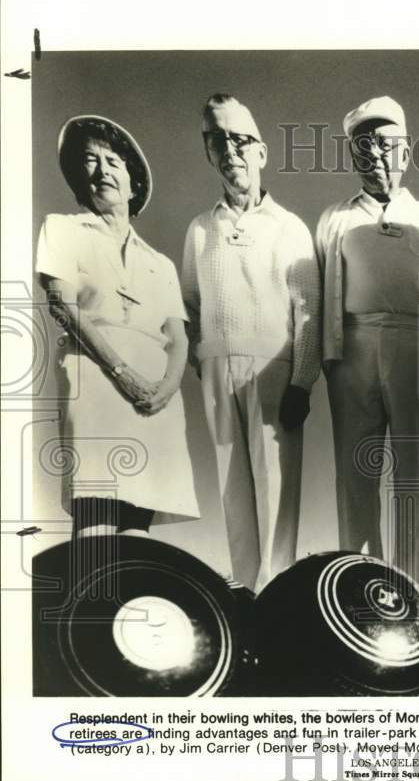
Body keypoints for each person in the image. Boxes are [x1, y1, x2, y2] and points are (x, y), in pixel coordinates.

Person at [182, 94, 321, 592]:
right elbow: (190, 305)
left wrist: (302, 382)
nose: (229, 151)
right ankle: (244, 597)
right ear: (209, 153)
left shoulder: (290, 227)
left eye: (239, 140)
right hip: (219, 372)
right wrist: (204, 360)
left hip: (274, 370)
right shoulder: (201, 229)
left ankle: (277, 596)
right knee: (232, 490)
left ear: (261, 150)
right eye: (216, 141)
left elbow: (309, 310)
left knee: (275, 490)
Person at [36, 115, 198, 536]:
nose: (102, 170)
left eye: (113, 161)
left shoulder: (160, 262)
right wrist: (122, 373)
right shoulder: (63, 228)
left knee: (138, 534)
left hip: (155, 395)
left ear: (133, 183)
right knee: (96, 525)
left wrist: (164, 389)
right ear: (79, 176)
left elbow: (178, 337)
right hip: (94, 378)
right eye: (90, 160)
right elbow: (62, 304)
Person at [315, 96, 419, 593]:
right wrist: (328, 359)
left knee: (416, 474)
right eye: (364, 145)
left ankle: (416, 592)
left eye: (386, 144)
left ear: (406, 153)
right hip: (352, 346)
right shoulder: (335, 218)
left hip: (417, 346)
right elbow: (320, 293)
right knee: (355, 471)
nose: (375, 153)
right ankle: (361, 589)